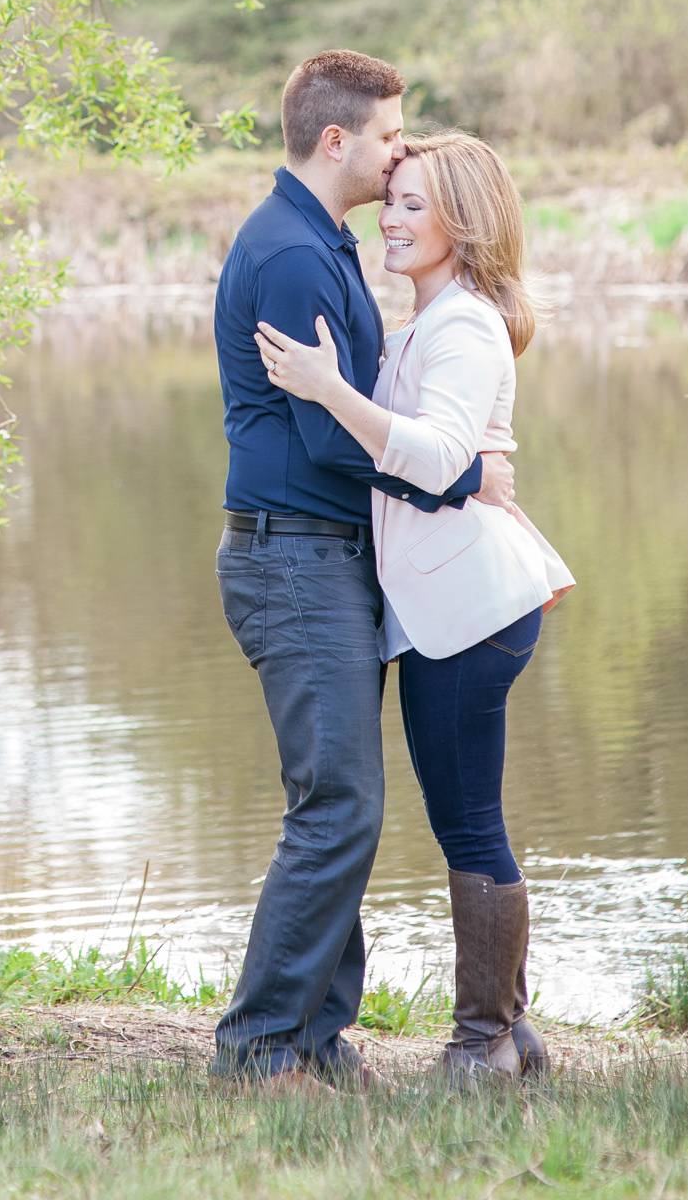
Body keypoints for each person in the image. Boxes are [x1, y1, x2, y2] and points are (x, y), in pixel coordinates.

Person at [211, 50, 519, 1087]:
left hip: (330, 559)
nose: (397, 158)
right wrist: (463, 475)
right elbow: (332, 436)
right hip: (292, 557)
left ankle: (316, 1035)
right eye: (390, 137)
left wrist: (466, 454)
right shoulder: (293, 258)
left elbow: (370, 404)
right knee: (337, 806)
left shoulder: (322, 244)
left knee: (342, 804)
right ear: (334, 139)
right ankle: (259, 1047)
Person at [256, 130, 574, 1083]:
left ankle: (481, 1043)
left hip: (470, 612)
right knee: (466, 817)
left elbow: (434, 458)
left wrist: (326, 389)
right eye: (388, 201)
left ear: (461, 221)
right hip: (450, 610)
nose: (391, 220)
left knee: (470, 822)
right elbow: (433, 459)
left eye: (413, 204)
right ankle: (510, 1034)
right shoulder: (423, 327)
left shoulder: (466, 325)